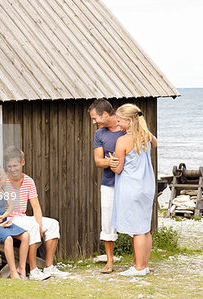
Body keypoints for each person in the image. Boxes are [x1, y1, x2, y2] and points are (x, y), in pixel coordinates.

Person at [3, 146, 69, 280]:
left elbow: (36, 207)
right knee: (32, 225)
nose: (12, 169)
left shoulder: (28, 181)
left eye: (15, 165)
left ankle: (48, 267)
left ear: (22, 163)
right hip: (9, 219)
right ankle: (33, 271)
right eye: (9, 166)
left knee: (52, 224)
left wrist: (39, 225)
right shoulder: (2, 181)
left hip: (23, 217)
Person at [109, 104, 157, 276]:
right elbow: (155, 144)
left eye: (120, 121)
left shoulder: (122, 141)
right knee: (145, 229)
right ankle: (143, 264)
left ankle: (139, 268)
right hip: (146, 187)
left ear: (129, 121)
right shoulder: (146, 136)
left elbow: (118, 169)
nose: (118, 124)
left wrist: (112, 163)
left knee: (137, 230)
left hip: (131, 187)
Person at [88, 99, 125, 274]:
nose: (94, 122)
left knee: (131, 219)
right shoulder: (99, 134)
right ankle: (110, 262)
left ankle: (137, 261)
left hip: (128, 184)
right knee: (108, 222)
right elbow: (98, 161)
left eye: (95, 118)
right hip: (108, 184)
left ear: (104, 114)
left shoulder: (126, 127)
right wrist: (109, 162)